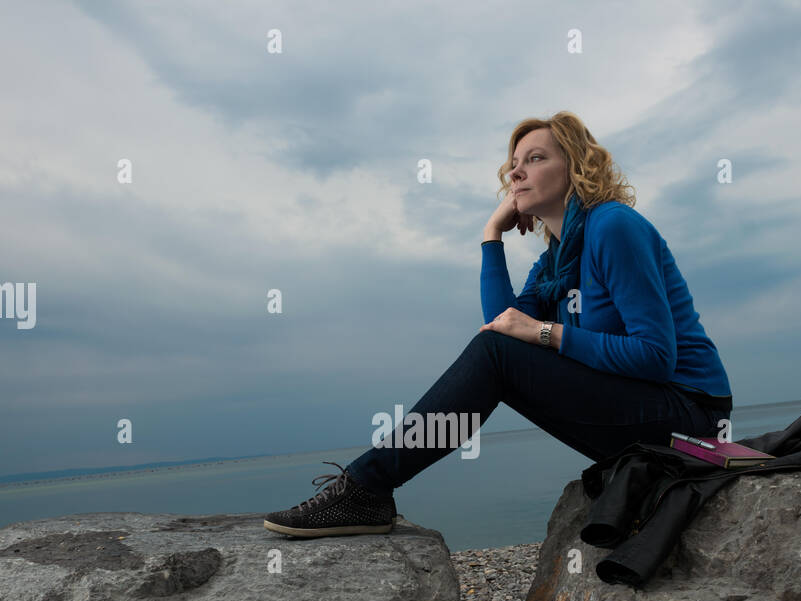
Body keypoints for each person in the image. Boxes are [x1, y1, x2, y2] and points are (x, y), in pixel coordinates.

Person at [263, 110, 733, 538]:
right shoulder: (556, 259)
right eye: (514, 163)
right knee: (496, 352)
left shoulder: (614, 227)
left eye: (535, 158)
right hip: (644, 415)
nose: (516, 172)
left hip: (691, 417)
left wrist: (546, 333)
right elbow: (502, 329)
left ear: (575, 167)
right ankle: (367, 489)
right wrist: (492, 237)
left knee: (497, 355)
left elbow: (654, 357)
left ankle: (365, 488)